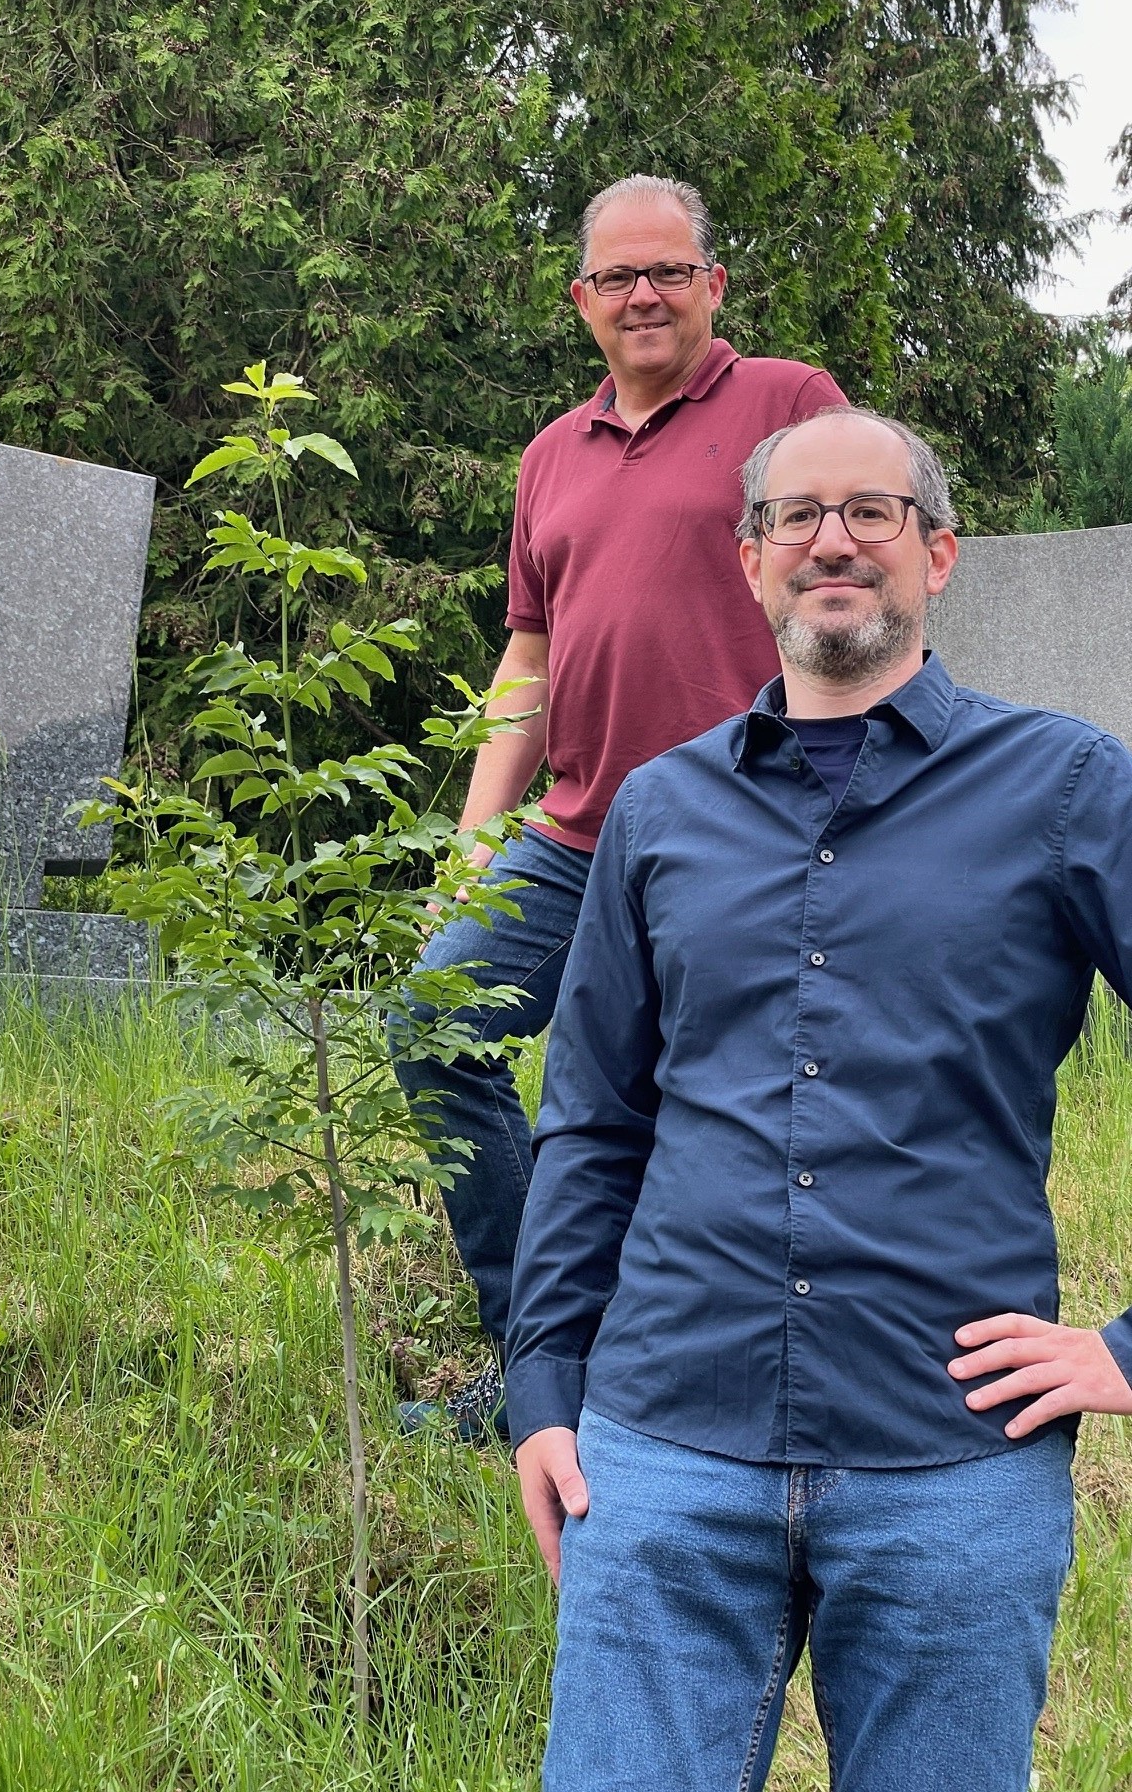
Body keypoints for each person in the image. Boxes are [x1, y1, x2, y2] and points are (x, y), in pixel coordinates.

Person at [507, 405, 1132, 1791]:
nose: (831, 541)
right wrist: (544, 1385)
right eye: (795, 516)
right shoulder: (661, 815)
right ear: (751, 560)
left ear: (940, 552)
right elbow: (594, 1119)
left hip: (953, 1454)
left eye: (871, 513)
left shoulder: (1069, 787)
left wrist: (1129, 1350)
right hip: (664, 1447)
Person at [390, 174, 845, 1439]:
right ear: (579, 299)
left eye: (670, 270)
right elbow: (527, 662)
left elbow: (848, 578)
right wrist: (477, 837)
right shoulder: (551, 455)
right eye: (617, 276)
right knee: (432, 1026)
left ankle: (692, 1380)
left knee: (678, 1113)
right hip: (577, 835)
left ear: (715, 284)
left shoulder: (789, 406)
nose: (644, 294)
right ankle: (537, 1366)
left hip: (749, 833)